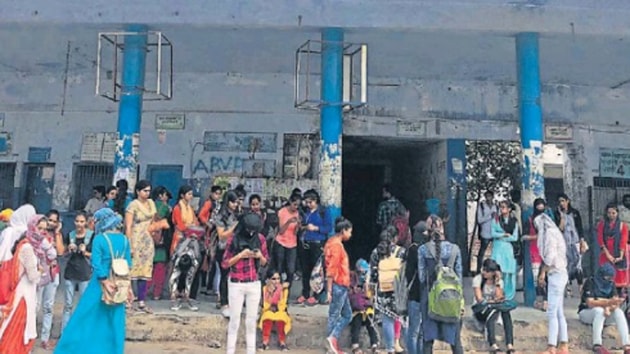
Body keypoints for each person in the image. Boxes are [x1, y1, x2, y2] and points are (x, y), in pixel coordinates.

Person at [54, 208, 133, 354]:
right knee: (114, 321)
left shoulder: (100, 239)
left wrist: (104, 281)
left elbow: (96, 263)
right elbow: (128, 264)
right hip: (119, 283)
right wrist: (128, 288)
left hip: (99, 284)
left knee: (84, 317)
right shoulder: (124, 240)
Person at [222, 213, 269, 354]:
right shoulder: (233, 239)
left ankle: (251, 351)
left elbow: (266, 262)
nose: (251, 232)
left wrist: (259, 256)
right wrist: (240, 255)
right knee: (234, 320)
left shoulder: (260, 239)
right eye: (249, 229)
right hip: (236, 283)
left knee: (251, 320)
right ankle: (230, 351)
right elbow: (225, 263)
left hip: (254, 283)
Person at [418, 216, 464, 354]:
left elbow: (421, 278)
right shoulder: (455, 249)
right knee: (455, 341)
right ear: (443, 228)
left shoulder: (423, 250)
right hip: (452, 299)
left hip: (430, 299)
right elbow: (459, 279)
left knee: (428, 340)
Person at [0, 208, 42, 354]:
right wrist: (41, 272)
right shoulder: (27, 247)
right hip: (24, 293)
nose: (42, 232)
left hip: (18, 289)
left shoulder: (21, 243)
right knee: (19, 329)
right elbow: (33, 277)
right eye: (39, 228)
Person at [534, 200, 570, 354]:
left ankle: (551, 346)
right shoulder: (555, 232)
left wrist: (542, 273)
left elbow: (550, 257)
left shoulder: (548, 233)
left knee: (552, 312)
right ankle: (563, 344)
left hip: (556, 274)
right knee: (559, 311)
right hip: (561, 273)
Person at [578, 262, 630, 354]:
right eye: (608, 277)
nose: (609, 279)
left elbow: (615, 302)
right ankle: (597, 344)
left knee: (619, 312)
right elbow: (590, 302)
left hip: (606, 313)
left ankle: (626, 345)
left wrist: (607, 307)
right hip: (587, 313)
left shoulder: (611, 283)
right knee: (599, 311)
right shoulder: (591, 282)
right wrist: (607, 303)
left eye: (611, 277)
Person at [369, 226, 406, 354]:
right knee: (400, 317)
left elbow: (373, 274)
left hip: (383, 290)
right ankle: (399, 343)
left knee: (387, 320)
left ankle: (390, 348)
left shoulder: (376, 252)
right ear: (395, 238)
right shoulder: (401, 251)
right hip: (398, 291)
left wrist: (372, 291)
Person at [124, 180, 156, 313]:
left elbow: (153, 220)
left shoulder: (151, 203)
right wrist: (129, 245)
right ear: (138, 191)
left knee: (145, 271)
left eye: (149, 191)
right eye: (145, 191)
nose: (147, 193)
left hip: (147, 240)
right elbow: (128, 226)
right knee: (132, 271)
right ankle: (128, 300)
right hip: (136, 239)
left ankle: (142, 301)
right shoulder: (133, 205)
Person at [472, 259, 516, 353]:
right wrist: (493, 301)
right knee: (494, 310)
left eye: (487, 271)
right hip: (481, 310)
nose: (484, 272)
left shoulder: (499, 282)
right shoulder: (478, 279)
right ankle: (493, 344)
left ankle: (509, 344)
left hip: (494, 308)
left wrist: (497, 283)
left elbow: (499, 297)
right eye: (483, 269)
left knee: (505, 311)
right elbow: (480, 299)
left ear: (493, 273)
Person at [324, 216, 353, 354]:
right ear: (343, 231)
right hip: (338, 284)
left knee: (347, 314)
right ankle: (332, 340)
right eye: (349, 231)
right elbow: (332, 268)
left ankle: (332, 342)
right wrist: (329, 290)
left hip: (341, 285)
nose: (350, 234)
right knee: (335, 315)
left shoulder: (331, 242)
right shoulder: (337, 245)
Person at [61, 211, 94, 332]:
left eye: (82, 221)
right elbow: (63, 254)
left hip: (84, 273)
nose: (79, 224)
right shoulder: (70, 235)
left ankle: (81, 331)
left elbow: (95, 255)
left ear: (86, 222)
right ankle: (65, 332)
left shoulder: (92, 235)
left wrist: (85, 252)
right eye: (77, 221)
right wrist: (69, 250)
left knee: (83, 304)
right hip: (71, 272)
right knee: (68, 304)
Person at [297, 189, 331, 306]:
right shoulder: (305, 212)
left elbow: (328, 227)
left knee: (316, 270)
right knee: (305, 270)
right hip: (305, 243)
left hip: (318, 243)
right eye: (306, 202)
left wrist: (316, 228)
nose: (308, 205)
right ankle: (305, 293)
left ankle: (316, 295)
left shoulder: (323, 212)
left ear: (316, 201)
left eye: (310, 202)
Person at [214, 190, 240, 317]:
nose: (235, 204)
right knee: (224, 276)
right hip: (223, 249)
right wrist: (235, 227)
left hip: (235, 249)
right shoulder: (220, 216)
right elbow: (222, 235)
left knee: (234, 276)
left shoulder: (236, 214)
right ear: (227, 202)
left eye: (237, 202)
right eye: (233, 202)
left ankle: (232, 301)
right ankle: (224, 302)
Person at [555, 193, 585, 296]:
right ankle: (569, 287)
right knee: (567, 265)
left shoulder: (575, 213)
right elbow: (560, 229)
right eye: (559, 201)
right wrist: (562, 216)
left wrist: (582, 241)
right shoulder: (558, 214)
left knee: (578, 264)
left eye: (563, 201)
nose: (561, 203)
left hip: (575, 241)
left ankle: (581, 288)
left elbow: (579, 227)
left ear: (568, 201)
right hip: (564, 242)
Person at [406, 221, 428, 354]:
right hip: (425, 295)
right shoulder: (428, 249)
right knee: (421, 332)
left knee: (413, 331)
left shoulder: (413, 249)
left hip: (414, 294)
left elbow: (408, 273)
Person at [490, 201, 519, 301]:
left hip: (508, 249)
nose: (502, 209)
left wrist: (503, 238)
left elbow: (515, 237)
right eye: (501, 207)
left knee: (508, 273)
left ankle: (508, 295)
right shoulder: (496, 220)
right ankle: (497, 294)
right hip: (497, 249)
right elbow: (492, 233)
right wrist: (502, 235)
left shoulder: (514, 221)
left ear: (509, 209)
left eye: (504, 207)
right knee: (497, 271)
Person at [596, 203, 629, 291]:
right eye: (609, 213)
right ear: (606, 213)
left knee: (619, 280)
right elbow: (600, 240)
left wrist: (620, 256)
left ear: (617, 213)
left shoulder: (623, 226)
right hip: (605, 254)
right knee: (606, 277)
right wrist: (608, 255)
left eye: (613, 213)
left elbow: (623, 241)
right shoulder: (601, 225)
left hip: (618, 255)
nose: (611, 215)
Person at [349, 259, 379, 354]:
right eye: (360, 272)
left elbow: (371, 297)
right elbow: (351, 296)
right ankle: (355, 346)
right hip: (356, 309)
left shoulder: (369, 280)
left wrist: (366, 286)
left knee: (371, 325)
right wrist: (355, 288)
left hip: (367, 308)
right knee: (356, 326)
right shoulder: (352, 279)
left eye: (364, 272)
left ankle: (374, 345)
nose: (362, 274)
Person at [259, 270, 291, 351]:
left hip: (280, 311)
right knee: (267, 317)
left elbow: (283, 306)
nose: (276, 281)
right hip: (268, 310)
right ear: (268, 280)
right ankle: (265, 342)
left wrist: (278, 291)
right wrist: (271, 293)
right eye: (273, 279)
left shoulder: (284, 289)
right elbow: (265, 306)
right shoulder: (265, 289)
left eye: (278, 279)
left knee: (281, 318)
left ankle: (282, 342)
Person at [273, 193, 301, 286]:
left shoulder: (297, 213)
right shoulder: (282, 212)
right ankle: (277, 288)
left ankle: (287, 289)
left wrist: (298, 225)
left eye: (298, 205)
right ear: (290, 202)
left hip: (292, 243)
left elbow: (295, 232)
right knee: (279, 267)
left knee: (291, 269)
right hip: (281, 242)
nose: (296, 207)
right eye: (295, 204)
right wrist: (288, 222)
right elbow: (281, 231)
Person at [476, 190, 497, 274]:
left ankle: (493, 270)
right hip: (485, 233)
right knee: (482, 253)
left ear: (492, 197)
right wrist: (489, 216)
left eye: (490, 196)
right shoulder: (481, 206)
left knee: (495, 252)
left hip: (495, 233)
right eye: (487, 196)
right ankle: (479, 270)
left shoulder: (496, 206)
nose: (488, 198)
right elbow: (479, 220)